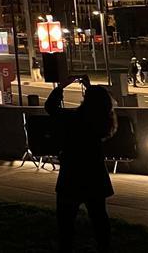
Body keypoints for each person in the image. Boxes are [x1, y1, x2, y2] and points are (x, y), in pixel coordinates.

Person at [46, 75, 117, 253]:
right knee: (99, 217)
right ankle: (104, 247)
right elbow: (96, 103)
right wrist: (89, 87)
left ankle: (66, 247)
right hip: (95, 175)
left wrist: (62, 85)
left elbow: (50, 108)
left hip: (72, 175)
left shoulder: (73, 119)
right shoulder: (102, 122)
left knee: (66, 220)